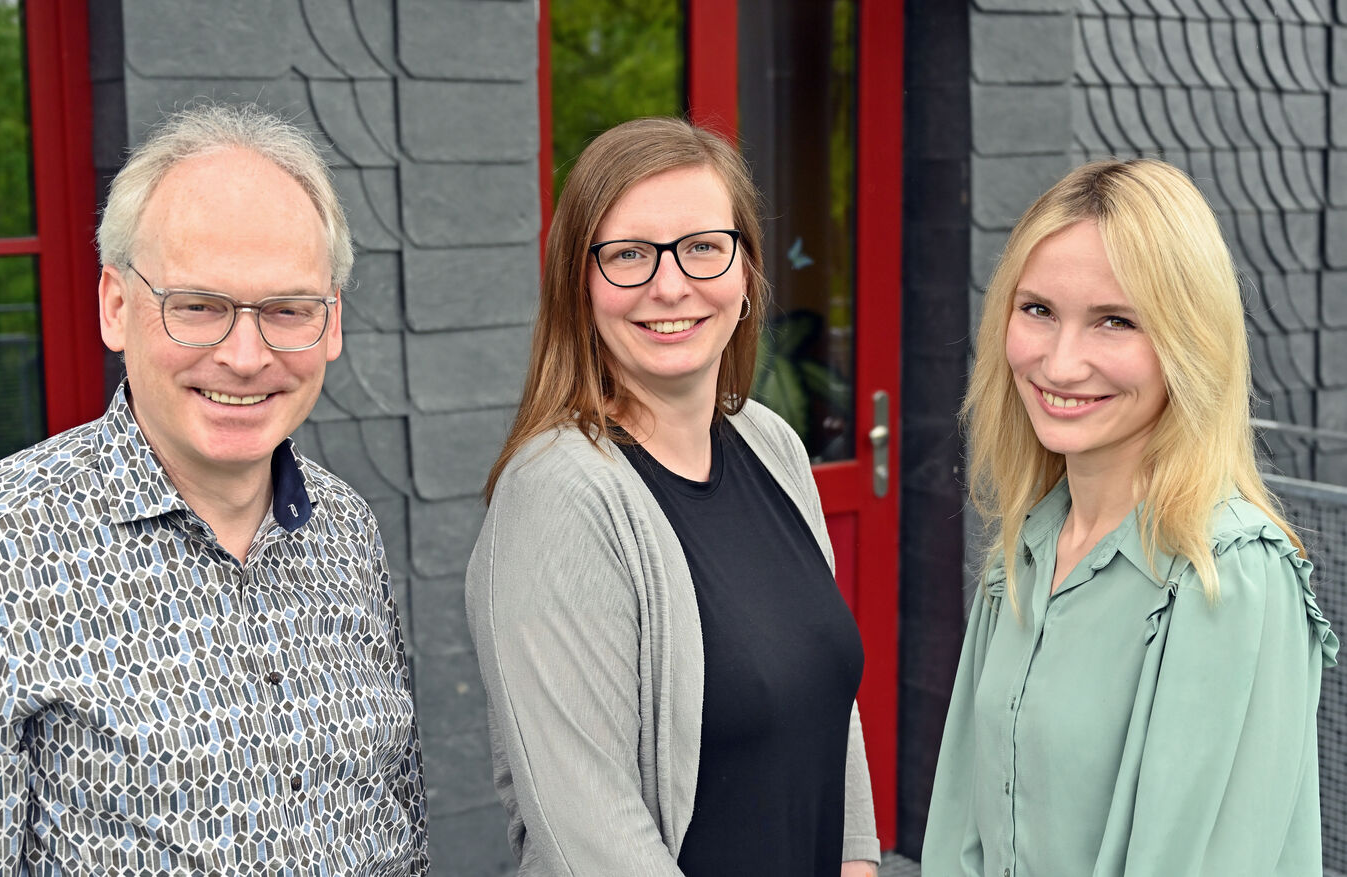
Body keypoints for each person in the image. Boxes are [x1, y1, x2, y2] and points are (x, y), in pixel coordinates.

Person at [0, 103, 429, 874]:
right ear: (116, 305)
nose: (245, 356)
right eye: (199, 307)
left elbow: (400, 821)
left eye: (286, 309)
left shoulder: (345, 528)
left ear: (332, 323)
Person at [466, 117, 880, 876]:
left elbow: (828, 706)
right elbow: (588, 834)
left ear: (745, 272)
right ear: (577, 287)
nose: (669, 284)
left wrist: (858, 862)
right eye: (628, 254)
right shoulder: (558, 497)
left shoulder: (772, 446)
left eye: (701, 247)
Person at [922, 159, 1339, 875]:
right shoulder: (1026, 547)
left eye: (1114, 321)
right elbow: (964, 824)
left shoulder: (1226, 574)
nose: (1059, 362)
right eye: (1038, 310)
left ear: (1187, 342)